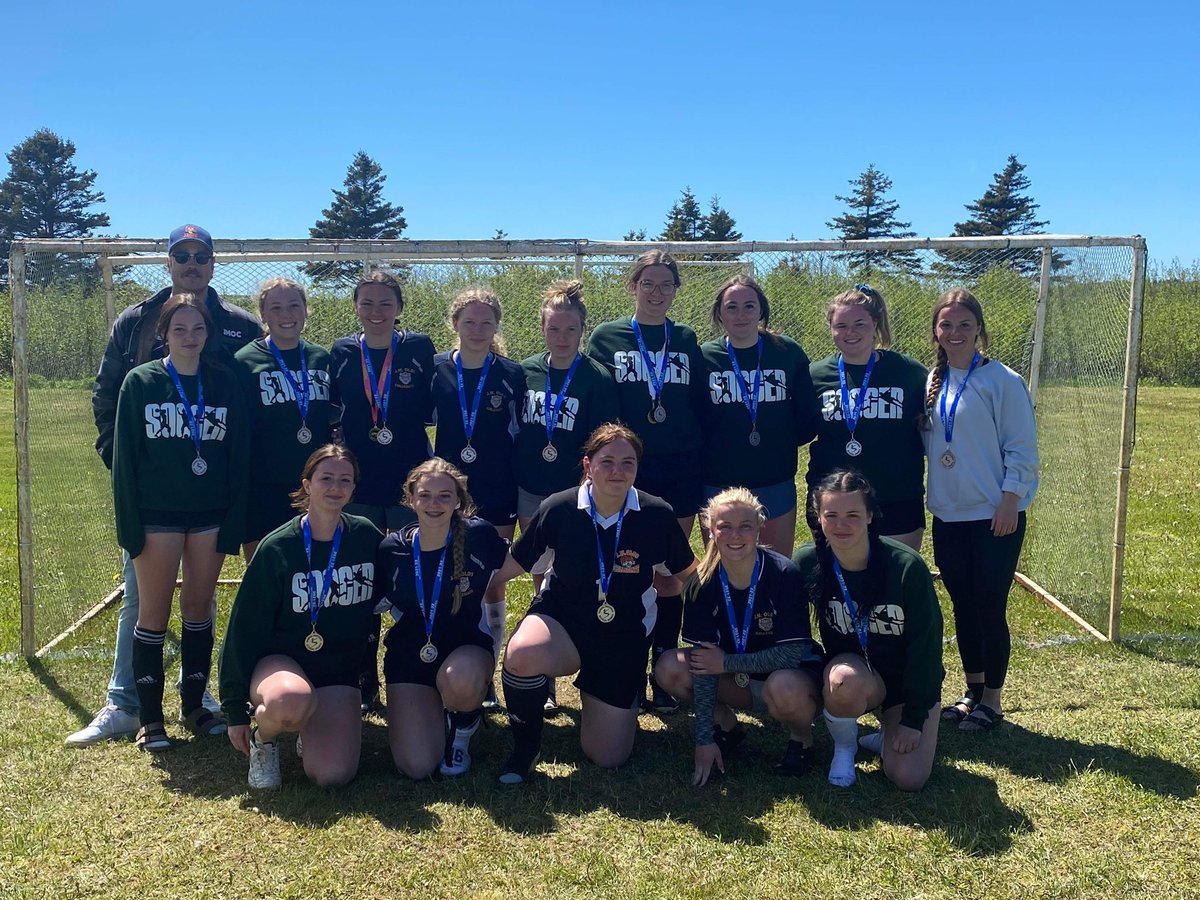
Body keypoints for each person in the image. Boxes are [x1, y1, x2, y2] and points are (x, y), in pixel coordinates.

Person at [71, 223, 260, 747]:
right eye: (183, 254)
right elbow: (107, 396)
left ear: (214, 263)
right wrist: (130, 468)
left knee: (201, 607)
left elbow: (246, 410)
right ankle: (128, 705)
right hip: (155, 500)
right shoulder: (134, 321)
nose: (192, 262)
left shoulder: (240, 325)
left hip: (208, 501)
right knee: (143, 604)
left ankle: (198, 702)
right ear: (169, 262)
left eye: (202, 255)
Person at [491, 423, 697, 784]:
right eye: (607, 461)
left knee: (608, 757)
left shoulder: (656, 514)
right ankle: (526, 747)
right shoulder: (559, 508)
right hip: (563, 622)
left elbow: (689, 575)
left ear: (637, 467)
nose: (617, 471)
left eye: (627, 463)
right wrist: (465, 584)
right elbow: (513, 566)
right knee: (522, 653)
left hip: (623, 636)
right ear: (588, 465)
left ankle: (597, 692)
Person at [112, 293, 250, 752]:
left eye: (198, 329)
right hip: (157, 516)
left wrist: (234, 519)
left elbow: (238, 458)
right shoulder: (142, 382)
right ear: (163, 334)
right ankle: (150, 719)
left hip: (209, 515)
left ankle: (194, 705)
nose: (190, 338)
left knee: (198, 608)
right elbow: (126, 457)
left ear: (208, 334)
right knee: (152, 614)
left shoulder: (224, 382)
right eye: (179, 330)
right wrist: (128, 526)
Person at [219, 445, 383, 789]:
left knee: (332, 775)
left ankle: (309, 726)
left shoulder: (365, 536)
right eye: (325, 478)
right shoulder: (278, 547)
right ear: (307, 484)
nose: (335, 487)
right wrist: (235, 710)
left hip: (338, 671)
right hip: (281, 663)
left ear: (354, 489)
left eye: (345, 480)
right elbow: (242, 631)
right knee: (289, 702)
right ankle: (264, 740)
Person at [587, 250, 708, 712]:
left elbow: (696, 400)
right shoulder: (607, 336)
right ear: (632, 286)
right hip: (629, 467)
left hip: (679, 465)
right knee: (627, 566)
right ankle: (629, 665)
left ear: (676, 290)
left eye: (666, 285)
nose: (656, 293)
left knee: (669, 574)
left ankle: (663, 665)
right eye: (648, 284)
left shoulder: (685, 336)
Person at [925, 288, 1039, 732]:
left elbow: (1023, 448)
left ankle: (993, 700)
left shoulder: (1003, 381)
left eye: (965, 325)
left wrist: (1011, 498)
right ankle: (972, 690)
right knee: (962, 604)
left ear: (979, 330)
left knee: (989, 605)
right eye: (947, 325)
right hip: (948, 515)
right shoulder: (931, 382)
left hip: (995, 514)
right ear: (936, 330)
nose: (955, 333)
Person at [655, 488, 823, 786]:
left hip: (787, 681)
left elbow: (791, 655)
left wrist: (727, 662)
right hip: (734, 679)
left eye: (745, 526)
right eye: (725, 527)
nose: (735, 535)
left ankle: (801, 738)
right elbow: (705, 665)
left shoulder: (783, 573)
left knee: (783, 686)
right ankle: (727, 728)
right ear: (710, 529)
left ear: (759, 527)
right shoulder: (701, 583)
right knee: (670, 667)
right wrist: (704, 739)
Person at [793, 469, 944, 791]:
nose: (841, 525)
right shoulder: (808, 562)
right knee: (843, 681)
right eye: (831, 515)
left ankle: (887, 732)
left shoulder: (906, 566)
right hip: (855, 672)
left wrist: (913, 720)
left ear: (870, 516)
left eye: (852, 515)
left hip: (904, 682)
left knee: (908, 777)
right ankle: (845, 748)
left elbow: (927, 648)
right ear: (818, 517)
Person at [329, 270, 435, 713]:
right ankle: (363, 677)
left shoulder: (417, 348)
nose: (376, 311)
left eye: (385, 302)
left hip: (412, 483)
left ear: (399, 308)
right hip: (361, 482)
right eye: (367, 302)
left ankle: (417, 671)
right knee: (364, 579)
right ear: (355, 306)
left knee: (416, 577)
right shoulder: (341, 351)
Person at [516, 280, 620, 714]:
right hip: (529, 490)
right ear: (542, 328)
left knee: (575, 574)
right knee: (540, 576)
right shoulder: (524, 371)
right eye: (554, 329)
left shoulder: (596, 376)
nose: (562, 337)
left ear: (582, 330)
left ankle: (586, 656)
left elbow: (601, 440)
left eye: (570, 330)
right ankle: (542, 676)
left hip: (576, 495)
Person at [377, 459, 510, 778]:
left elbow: (518, 561)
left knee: (460, 681)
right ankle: (436, 714)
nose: (434, 504)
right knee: (417, 766)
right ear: (411, 499)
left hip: (465, 651)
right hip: (411, 654)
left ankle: (462, 728)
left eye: (444, 496)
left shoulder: (479, 535)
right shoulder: (392, 548)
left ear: (459, 502)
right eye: (425, 495)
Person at [431, 286, 523, 705]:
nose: (478, 329)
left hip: (497, 485)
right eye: (469, 321)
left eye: (487, 322)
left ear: (496, 326)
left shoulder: (510, 372)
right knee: (452, 574)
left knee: (491, 579)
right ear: (455, 324)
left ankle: (486, 665)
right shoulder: (436, 369)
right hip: (447, 491)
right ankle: (451, 659)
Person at [699, 275, 820, 557]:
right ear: (719, 313)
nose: (740, 314)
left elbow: (806, 415)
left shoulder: (786, 352)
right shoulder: (704, 357)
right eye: (731, 307)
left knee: (776, 564)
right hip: (719, 480)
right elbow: (696, 415)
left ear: (761, 310)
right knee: (723, 564)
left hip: (774, 477)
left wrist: (779, 440)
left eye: (749, 306)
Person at [807, 285, 928, 551]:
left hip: (896, 497)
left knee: (895, 580)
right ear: (831, 328)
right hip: (835, 502)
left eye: (859, 324)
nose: (850, 332)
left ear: (875, 324)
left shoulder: (908, 372)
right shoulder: (815, 375)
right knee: (837, 581)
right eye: (841, 325)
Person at [235, 278, 337, 560]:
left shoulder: (320, 357)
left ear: (306, 310)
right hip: (263, 485)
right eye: (276, 307)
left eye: (294, 306)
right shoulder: (245, 361)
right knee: (265, 569)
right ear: (263, 314)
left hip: (314, 484)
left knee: (312, 564)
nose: (286, 315)